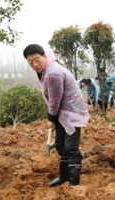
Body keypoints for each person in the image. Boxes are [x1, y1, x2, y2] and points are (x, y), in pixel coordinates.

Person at [23, 44, 89, 187]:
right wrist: (54, 117)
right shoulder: (45, 70)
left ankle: (74, 182)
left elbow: (54, 99)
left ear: (45, 56)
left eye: (37, 60)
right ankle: (64, 177)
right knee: (60, 145)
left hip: (72, 113)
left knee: (71, 147)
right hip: (62, 113)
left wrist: (51, 119)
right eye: (30, 62)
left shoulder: (53, 73)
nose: (34, 64)